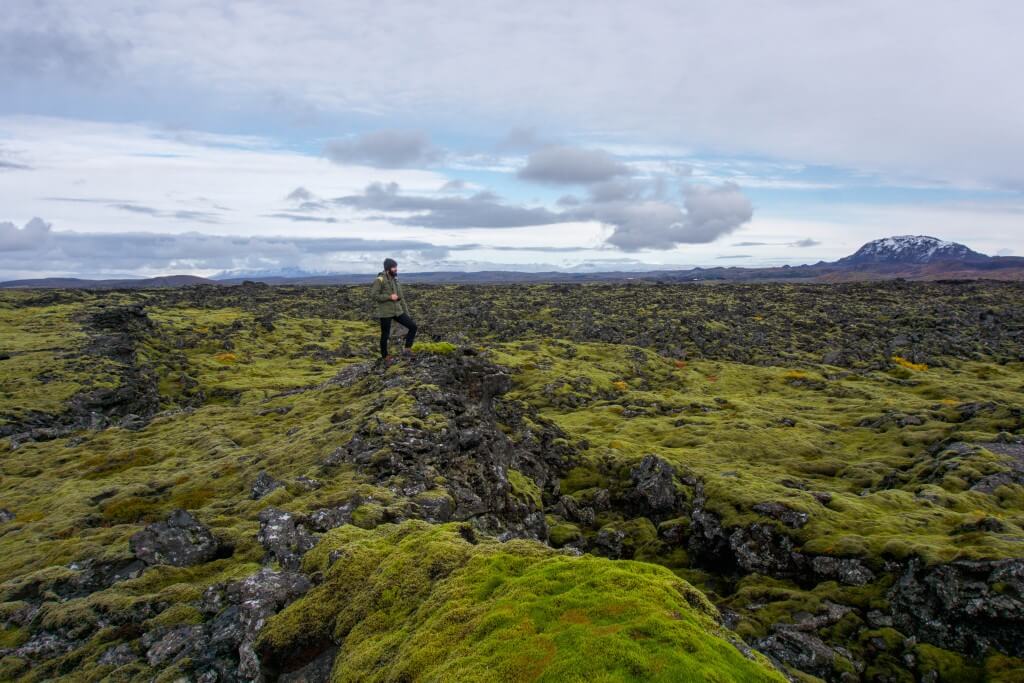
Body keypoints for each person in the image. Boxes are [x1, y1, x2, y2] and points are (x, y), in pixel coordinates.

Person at [371, 257, 417, 363]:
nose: (396, 269)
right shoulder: (380, 280)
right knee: (385, 335)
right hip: (386, 313)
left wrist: (406, 313)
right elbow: (374, 295)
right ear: (388, 268)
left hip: (398, 311)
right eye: (394, 267)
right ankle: (385, 356)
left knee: (413, 327)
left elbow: (401, 298)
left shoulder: (395, 280)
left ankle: (407, 350)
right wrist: (389, 297)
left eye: (396, 267)